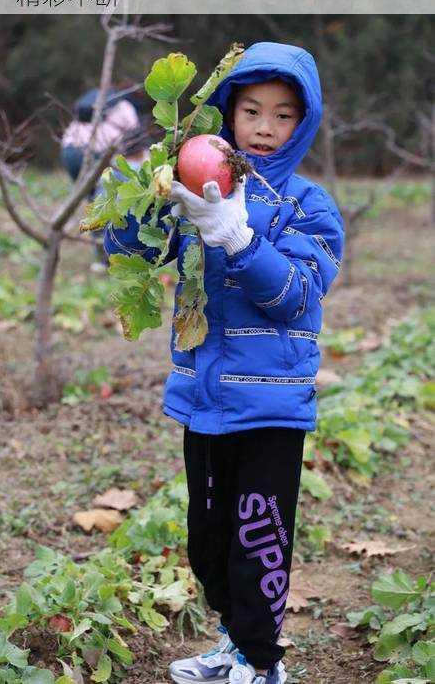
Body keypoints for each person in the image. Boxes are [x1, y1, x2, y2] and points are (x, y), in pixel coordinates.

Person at [103, 42, 345, 684]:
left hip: (270, 405)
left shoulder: (308, 206)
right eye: (252, 111)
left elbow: (295, 296)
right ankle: (231, 642)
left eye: (284, 115)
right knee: (208, 544)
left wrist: (236, 236)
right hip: (203, 398)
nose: (265, 128)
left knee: (257, 538)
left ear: (305, 122)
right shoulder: (194, 182)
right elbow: (131, 251)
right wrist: (144, 194)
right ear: (226, 116)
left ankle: (262, 662)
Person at [60, 88, 142, 272]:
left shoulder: (92, 104)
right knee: (108, 205)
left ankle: (102, 256)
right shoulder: (124, 106)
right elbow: (135, 139)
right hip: (98, 153)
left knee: (95, 203)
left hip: (69, 152)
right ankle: (111, 258)